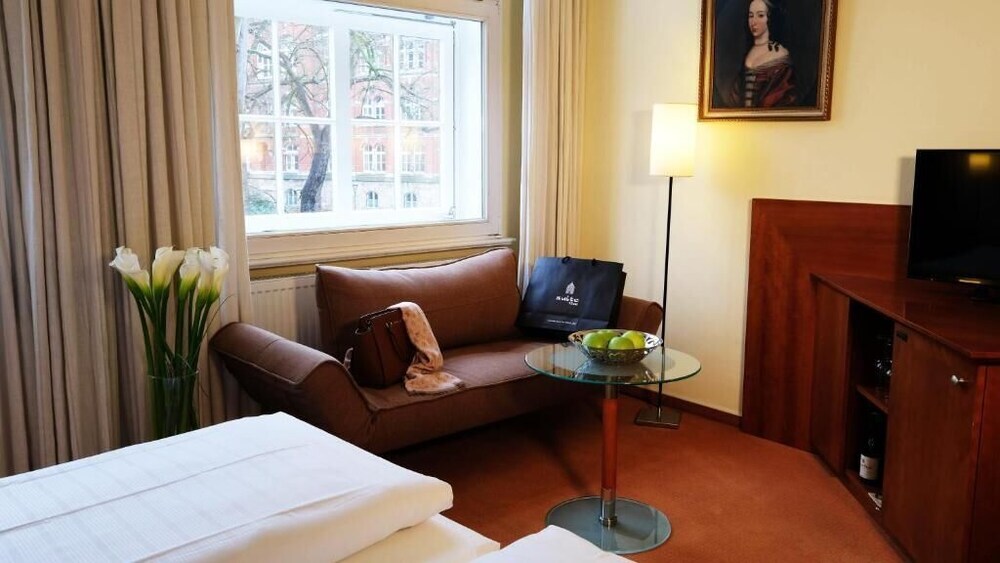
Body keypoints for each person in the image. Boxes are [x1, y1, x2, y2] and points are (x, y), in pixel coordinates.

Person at [728, 0, 796, 108]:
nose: (753, 22)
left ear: (769, 18)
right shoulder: (748, 53)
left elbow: (782, 96)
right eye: (751, 16)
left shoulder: (779, 54)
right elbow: (736, 96)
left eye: (760, 15)